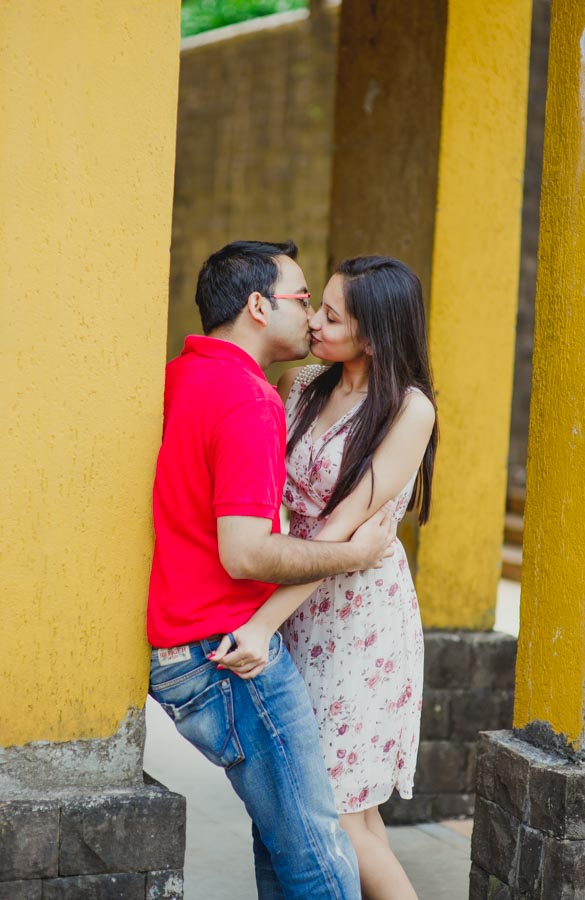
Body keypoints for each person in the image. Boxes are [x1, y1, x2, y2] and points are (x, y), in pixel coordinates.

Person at [146, 240, 397, 900]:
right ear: (258, 306)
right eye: (302, 298)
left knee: (282, 836)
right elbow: (246, 552)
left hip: (184, 643)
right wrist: (354, 554)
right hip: (227, 650)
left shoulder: (180, 375)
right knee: (317, 852)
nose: (311, 314)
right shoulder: (250, 400)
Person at [214, 256, 438, 900]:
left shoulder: (408, 409)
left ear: (374, 334)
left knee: (337, 810)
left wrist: (259, 627)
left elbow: (342, 528)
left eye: (331, 315)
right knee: (355, 811)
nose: (312, 321)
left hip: (359, 617)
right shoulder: (304, 383)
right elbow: (272, 494)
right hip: (300, 604)